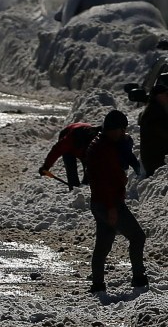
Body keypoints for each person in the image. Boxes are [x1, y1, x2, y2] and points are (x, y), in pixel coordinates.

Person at [85, 109, 148, 304]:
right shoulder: (106, 152)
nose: (124, 133)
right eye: (121, 129)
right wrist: (112, 208)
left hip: (98, 202)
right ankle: (139, 280)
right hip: (108, 202)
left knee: (103, 245)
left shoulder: (100, 143)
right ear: (113, 129)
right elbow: (107, 182)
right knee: (137, 237)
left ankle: (97, 285)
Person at [38, 122, 99, 189]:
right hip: (69, 133)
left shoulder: (96, 140)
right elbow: (55, 151)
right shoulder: (68, 141)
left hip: (83, 132)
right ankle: (73, 188)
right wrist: (46, 166)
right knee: (71, 166)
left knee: (89, 171)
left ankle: (86, 186)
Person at [138, 84, 168, 176]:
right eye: (166, 94)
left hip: (155, 159)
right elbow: (163, 132)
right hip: (155, 161)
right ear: (158, 96)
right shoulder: (153, 112)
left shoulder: (156, 109)